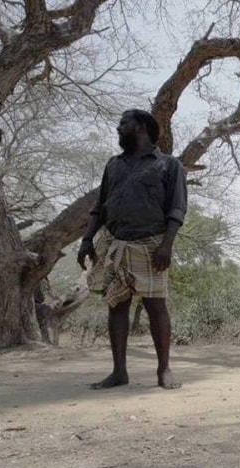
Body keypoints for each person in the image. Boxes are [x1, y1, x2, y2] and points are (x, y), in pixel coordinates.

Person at [77, 109, 187, 390]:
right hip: (114, 243)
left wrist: (166, 245)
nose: (118, 127)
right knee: (116, 305)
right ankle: (119, 372)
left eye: (123, 123)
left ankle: (164, 369)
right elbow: (99, 207)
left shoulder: (169, 165)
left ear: (141, 127)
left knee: (155, 306)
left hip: (151, 245)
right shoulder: (114, 165)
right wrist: (87, 240)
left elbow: (176, 209)